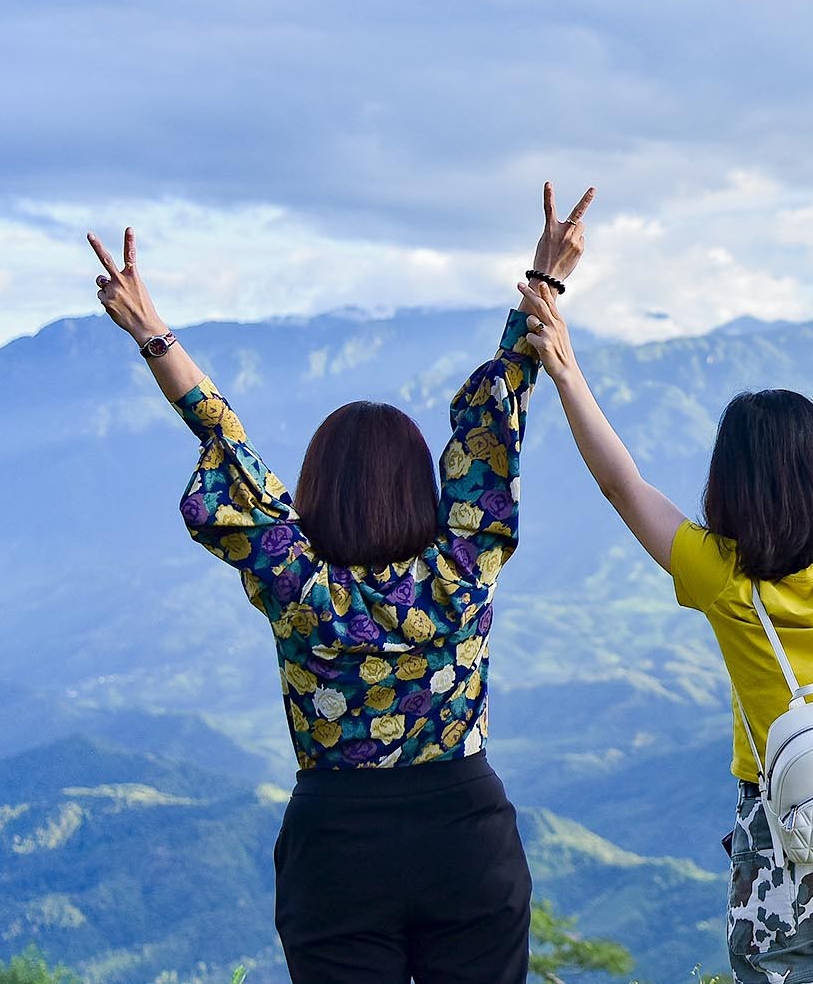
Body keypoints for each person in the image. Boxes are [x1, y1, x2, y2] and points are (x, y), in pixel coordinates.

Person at [84, 182, 597, 984]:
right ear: (423, 491)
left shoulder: (298, 582)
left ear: (318, 490)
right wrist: (546, 279)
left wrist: (153, 333)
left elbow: (230, 448)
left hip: (337, 850)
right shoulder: (461, 571)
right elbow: (497, 421)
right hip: (467, 836)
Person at [515, 196, 813, 984]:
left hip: (776, 825)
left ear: (728, 483)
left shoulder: (721, 574)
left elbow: (621, 484)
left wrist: (565, 366)